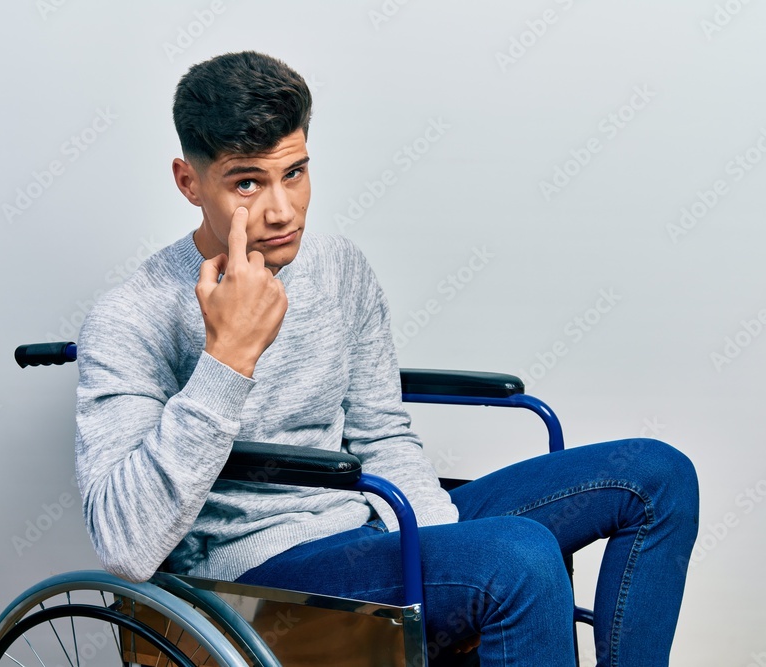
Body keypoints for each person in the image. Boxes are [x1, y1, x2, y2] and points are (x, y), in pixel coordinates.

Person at [74, 50, 699, 667]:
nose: (282, 210)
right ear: (189, 182)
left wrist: (440, 553)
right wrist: (227, 358)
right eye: (247, 183)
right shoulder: (133, 315)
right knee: (518, 555)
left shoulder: (339, 268)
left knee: (657, 475)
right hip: (257, 572)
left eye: (295, 173)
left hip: (373, 521)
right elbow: (126, 545)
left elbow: (381, 434)